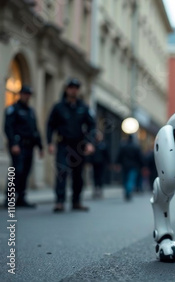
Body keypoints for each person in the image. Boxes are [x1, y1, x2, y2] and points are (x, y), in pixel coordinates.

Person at [47, 78, 95, 212]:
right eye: (71, 87)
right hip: (63, 144)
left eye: (76, 88)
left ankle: (76, 201)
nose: (73, 90)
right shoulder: (58, 107)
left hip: (79, 146)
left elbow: (92, 125)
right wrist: (49, 142)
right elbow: (50, 125)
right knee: (62, 172)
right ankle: (60, 201)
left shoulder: (84, 107)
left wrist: (90, 143)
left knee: (78, 175)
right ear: (66, 89)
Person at [3, 85, 43, 208]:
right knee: (16, 171)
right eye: (25, 94)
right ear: (20, 94)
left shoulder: (31, 111)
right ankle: (9, 199)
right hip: (18, 145)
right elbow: (8, 127)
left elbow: (35, 130)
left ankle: (21, 198)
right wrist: (13, 144)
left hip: (29, 146)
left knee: (25, 172)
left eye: (29, 94)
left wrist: (40, 146)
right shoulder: (13, 109)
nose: (27, 96)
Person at [116, 135, 143, 201]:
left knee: (125, 179)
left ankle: (127, 191)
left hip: (125, 165)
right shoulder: (136, 147)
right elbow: (140, 158)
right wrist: (142, 166)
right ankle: (128, 191)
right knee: (130, 179)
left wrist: (117, 164)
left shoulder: (123, 146)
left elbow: (119, 156)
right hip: (133, 166)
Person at [88, 131, 109, 199]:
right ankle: (95, 189)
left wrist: (108, 162)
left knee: (100, 177)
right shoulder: (93, 145)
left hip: (101, 164)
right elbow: (90, 155)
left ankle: (100, 189)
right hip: (94, 163)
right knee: (95, 176)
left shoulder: (103, 145)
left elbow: (107, 155)